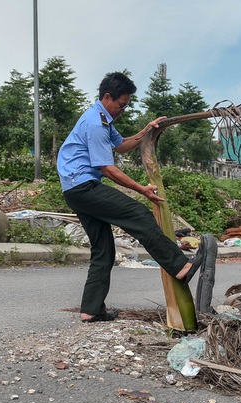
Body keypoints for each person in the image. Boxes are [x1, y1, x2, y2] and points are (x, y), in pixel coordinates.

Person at [57, 72, 203, 323]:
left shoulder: (103, 120)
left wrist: (146, 130)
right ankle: (180, 266)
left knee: (103, 250)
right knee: (138, 214)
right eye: (121, 104)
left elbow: (122, 145)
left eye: (126, 106)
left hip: (75, 189)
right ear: (107, 97)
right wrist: (141, 189)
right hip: (83, 187)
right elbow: (107, 168)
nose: (122, 110)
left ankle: (91, 310)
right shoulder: (94, 123)